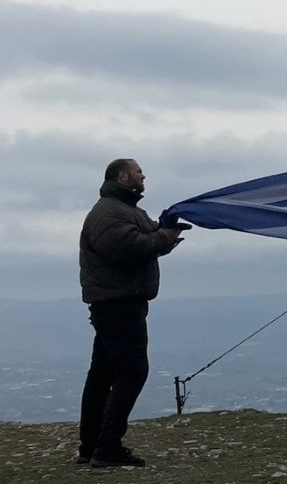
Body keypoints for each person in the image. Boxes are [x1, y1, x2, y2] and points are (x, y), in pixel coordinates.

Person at [78, 159, 186, 468]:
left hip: (117, 303)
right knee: (132, 371)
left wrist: (167, 231)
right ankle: (107, 447)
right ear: (123, 176)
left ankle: (90, 446)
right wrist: (161, 237)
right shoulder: (109, 212)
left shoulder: (127, 211)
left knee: (102, 374)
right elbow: (124, 248)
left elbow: (147, 240)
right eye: (138, 171)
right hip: (118, 305)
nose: (143, 175)